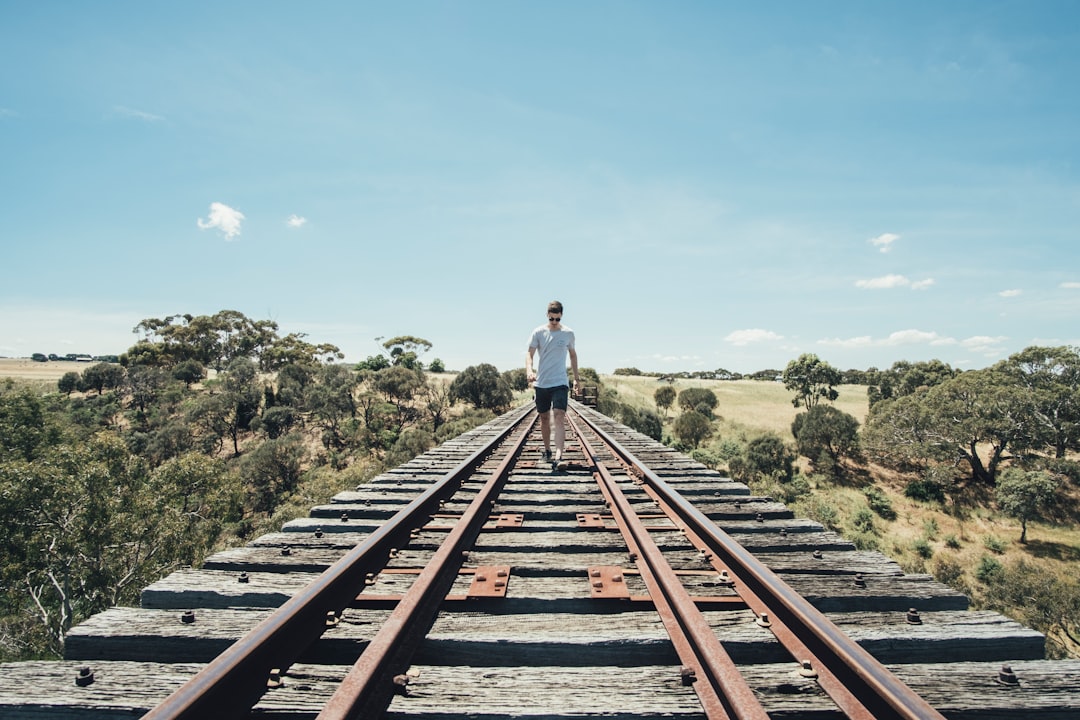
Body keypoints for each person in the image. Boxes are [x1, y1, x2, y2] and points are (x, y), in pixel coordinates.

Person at [526, 300, 580, 469]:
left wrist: (576, 378)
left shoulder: (568, 334)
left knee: (559, 415)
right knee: (543, 418)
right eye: (552, 319)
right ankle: (548, 451)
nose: (555, 322)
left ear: (561, 316)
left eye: (557, 319)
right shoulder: (538, 332)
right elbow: (530, 354)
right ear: (547, 316)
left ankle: (559, 457)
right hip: (542, 382)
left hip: (560, 382)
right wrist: (529, 370)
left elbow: (572, 355)